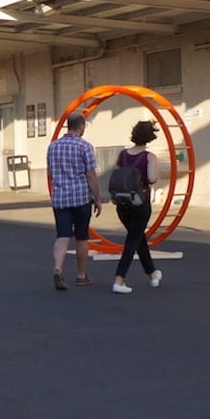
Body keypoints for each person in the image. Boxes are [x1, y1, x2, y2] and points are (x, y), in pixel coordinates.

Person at [47, 112, 101, 290]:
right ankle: (81, 275)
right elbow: (91, 175)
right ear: (82, 126)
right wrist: (98, 198)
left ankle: (57, 268)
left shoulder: (53, 147)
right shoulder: (84, 146)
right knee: (81, 237)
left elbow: (50, 172)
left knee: (62, 235)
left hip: (60, 198)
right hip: (80, 198)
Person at [110, 120, 163, 294]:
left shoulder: (123, 154)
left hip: (122, 203)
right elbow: (152, 178)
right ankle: (119, 280)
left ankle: (153, 274)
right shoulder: (149, 157)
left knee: (137, 238)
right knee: (133, 241)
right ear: (150, 137)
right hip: (140, 203)